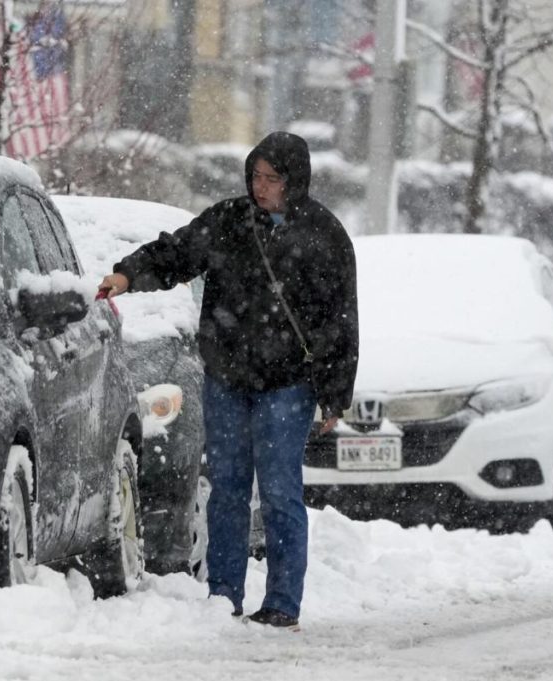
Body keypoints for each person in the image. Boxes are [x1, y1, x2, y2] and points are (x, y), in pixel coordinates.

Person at [98, 132, 358, 628]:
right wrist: (127, 276)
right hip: (228, 376)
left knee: (280, 490)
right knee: (229, 488)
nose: (261, 188)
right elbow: (175, 253)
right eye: (256, 177)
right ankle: (224, 596)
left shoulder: (325, 235)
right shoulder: (229, 221)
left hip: (288, 384)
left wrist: (333, 395)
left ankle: (282, 602)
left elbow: (340, 322)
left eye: (273, 179)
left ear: (295, 180)